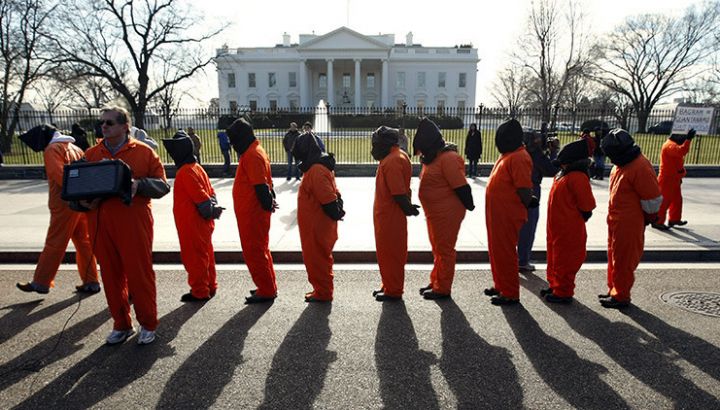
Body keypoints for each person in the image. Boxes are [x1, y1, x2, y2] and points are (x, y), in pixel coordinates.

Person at [80, 106, 170, 345]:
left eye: (109, 122)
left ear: (124, 126)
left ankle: (148, 324)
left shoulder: (143, 152)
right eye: (101, 123)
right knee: (110, 276)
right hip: (100, 223)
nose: (104, 126)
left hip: (133, 223)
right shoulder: (91, 154)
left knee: (140, 274)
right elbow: (75, 191)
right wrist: (82, 202)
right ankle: (121, 324)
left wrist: (139, 185)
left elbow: (163, 185)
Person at [16, 124, 100, 295]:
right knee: (84, 242)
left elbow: (59, 175)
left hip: (63, 204)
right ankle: (91, 281)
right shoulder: (74, 148)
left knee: (55, 243)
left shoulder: (52, 150)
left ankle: (41, 282)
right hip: (79, 203)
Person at [599, 128, 662, 308]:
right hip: (617, 219)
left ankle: (621, 295)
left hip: (629, 222)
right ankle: (614, 288)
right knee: (614, 256)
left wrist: (650, 217)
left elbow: (652, 199)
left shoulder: (639, 166)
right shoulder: (623, 165)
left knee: (624, 260)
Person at [414, 118, 474, 300]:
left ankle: (443, 287)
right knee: (438, 249)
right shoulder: (435, 158)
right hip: (436, 213)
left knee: (444, 250)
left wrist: (469, 205)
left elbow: (461, 187)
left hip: (447, 213)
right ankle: (436, 281)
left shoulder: (448, 158)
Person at [163, 131, 223, 302]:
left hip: (192, 223)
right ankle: (210, 285)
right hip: (202, 222)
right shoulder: (197, 168)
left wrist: (209, 209)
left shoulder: (185, 172)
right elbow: (210, 192)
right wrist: (212, 209)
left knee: (194, 258)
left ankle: (200, 290)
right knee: (206, 255)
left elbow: (201, 196)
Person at [484, 119, 535, 306]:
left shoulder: (519, 157)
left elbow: (523, 188)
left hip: (508, 214)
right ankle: (500, 285)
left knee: (505, 253)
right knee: (497, 251)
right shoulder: (509, 155)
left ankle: (510, 292)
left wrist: (528, 201)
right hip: (498, 213)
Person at [228, 117, 278, 304]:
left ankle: (266, 289)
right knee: (261, 250)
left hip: (252, 214)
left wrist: (268, 203)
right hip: (254, 212)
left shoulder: (251, 155)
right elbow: (265, 183)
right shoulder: (255, 151)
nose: (233, 146)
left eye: (234, 141)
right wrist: (269, 202)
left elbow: (260, 186)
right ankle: (268, 285)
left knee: (255, 252)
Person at [542, 140, 596, 303]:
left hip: (568, 226)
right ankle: (555, 285)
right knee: (555, 257)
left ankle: (563, 291)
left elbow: (587, 205)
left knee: (565, 259)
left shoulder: (576, 177)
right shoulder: (565, 174)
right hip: (557, 225)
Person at [292, 131, 344, 302]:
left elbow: (329, 199)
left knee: (318, 259)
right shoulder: (318, 167)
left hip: (317, 226)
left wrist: (337, 212)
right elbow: (333, 194)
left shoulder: (316, 170)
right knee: (318, 258)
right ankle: (321, 289)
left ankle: (323, 292)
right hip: (316, 224)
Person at [371, 126, 420, 302]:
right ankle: (389, 284)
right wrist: (408, 208)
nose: (373, 148)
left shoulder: (393, 160)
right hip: (388, 214)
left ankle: (393, 289)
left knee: (391, 253)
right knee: (387, 252)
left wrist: (408, 209)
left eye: (376, 143)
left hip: (390, 215)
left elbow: (398, 192)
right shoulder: (394, 157)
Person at [517, 129, 559, 273]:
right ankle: (523, 260)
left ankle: (516, 258)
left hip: (517, 189)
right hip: (532, 189)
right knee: (528, 226)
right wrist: (553, 152)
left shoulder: (519, 153)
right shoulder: (536, 155)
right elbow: (552, 170)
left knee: (517, 226)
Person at [652, 129, 696, 230]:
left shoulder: (672, 145)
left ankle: (674, 219)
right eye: (683, 137)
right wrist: (688, 140)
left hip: (674, 178)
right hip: (667, 179)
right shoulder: (670, 146)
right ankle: (658, 221)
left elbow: (677, 160)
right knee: (664, 201)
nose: (683, 139)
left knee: (677, 200)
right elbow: (682, 151)